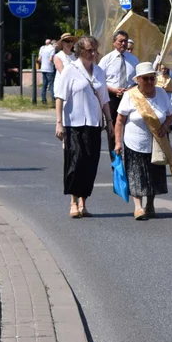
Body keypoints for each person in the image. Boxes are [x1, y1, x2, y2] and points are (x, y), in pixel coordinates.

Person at [53, 36, 111, 219]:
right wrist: (59, 122)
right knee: (75, 162)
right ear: (80, 51)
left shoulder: (100, 71)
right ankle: (73, 202)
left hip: (94, 123)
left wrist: (109, 121)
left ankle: (83, 203)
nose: (93, 53)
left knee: (90, 164)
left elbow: (104, 99)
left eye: (95, 50)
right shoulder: (71, 70)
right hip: (74, 123)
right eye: (89, 50)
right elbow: (60, 97)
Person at [114, 62, 172, 220]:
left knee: (154, 174)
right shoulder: (130, 95)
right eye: (145, 79)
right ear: (138, 80)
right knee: (135, 174)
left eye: (152, 78)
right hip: (134, 142)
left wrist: (166, 126)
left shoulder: (161, 93)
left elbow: (170, 114)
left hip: (156, 142)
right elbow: (120, 121)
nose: (149, 82)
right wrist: (118, 142)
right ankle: (138, 207)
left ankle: (150, 204)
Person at [99, 30, 139, 123]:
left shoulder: (133, 60)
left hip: (130, 96)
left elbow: (138, 80)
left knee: (129, 125)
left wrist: (129, 90)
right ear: (114, 42)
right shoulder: (106, 60)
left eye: (125, 41)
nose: (123, 43)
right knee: (113, 125)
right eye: (120, 41)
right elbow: (99, 80)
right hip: (111, 97)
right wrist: (113, 90)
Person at [38, 39, 57, 105]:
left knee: (44, 84)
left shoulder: (43, 48)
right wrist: (54, 63)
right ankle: (53, 99)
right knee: (51, 84)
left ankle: (43, 100)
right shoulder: (52, 49)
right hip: (49, 69)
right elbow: (51, 59)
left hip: (43, 68)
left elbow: (39, 59)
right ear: (53, 44)